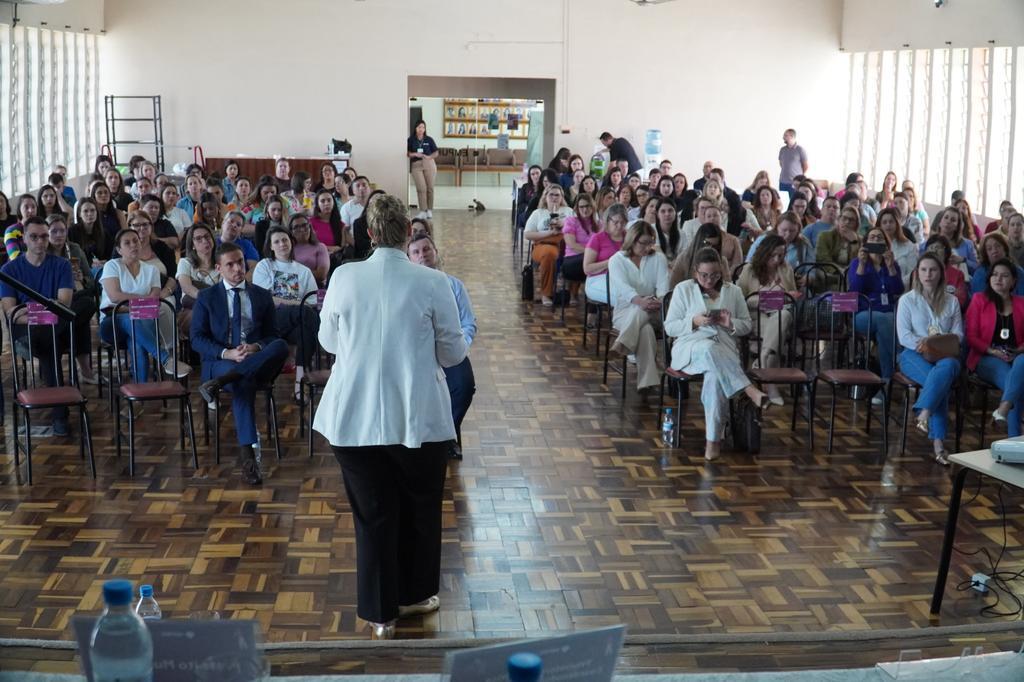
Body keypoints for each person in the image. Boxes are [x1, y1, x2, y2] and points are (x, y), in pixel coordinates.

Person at [314, 194, 466, 640]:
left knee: (374, 514)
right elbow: (453, 352)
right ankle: (416, 594)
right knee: (420, 507)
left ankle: (382, 614)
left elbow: (328, 342)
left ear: (371, 233)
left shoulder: (344, 276)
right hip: (418, 415)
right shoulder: (433, 281)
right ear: (408, 233)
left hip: (353, 415)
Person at [192, 242, 290, 485]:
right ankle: (248, 458)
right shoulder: (207, 297)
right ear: (218, 268)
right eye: (230, 264)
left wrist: (255, 347)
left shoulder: (261, 295)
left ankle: (221, 383)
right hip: (221, 361)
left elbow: (272, 336)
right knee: (243, 381)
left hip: (255, 359)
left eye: (240, 262)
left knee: (281, 346)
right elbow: (196, 339)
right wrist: (227, 353)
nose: (237, 268)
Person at [665, 247, 770, 461]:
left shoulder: (733, 291)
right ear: (696, 272)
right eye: (704, 275)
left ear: (721, 272)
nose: (709, 280)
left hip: (724, 350)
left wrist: (730, 323)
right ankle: (748, 389)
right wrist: (693, 321)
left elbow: (747, 326)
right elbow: (670, 327)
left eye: (714, 275)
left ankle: (712, 441)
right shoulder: (683, 289)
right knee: (708, 348)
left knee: (714, 378)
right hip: (689, 348)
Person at [0, 217, 75, 434]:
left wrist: (30, 310)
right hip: (25, 330)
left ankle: (59, 414)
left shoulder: (61, 265)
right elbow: (10, 311)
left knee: (48, 336)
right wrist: (43, 312)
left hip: (54, 326)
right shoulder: (9, 270)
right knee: (48, 343)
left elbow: (64, 305)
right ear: (23, 239)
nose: (40, 241)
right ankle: (60, 415)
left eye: (44, 236)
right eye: (34, 236)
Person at [407, 232, 476, 459]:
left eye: (426, 249)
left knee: (464, 386)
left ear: (435, 252)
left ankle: (448, 434)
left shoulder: (454, 285)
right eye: (416, 252)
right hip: (418, 352)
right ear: (409, 258)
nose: (422, 255)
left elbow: (468, 322)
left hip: (449, 348)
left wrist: (461, 346)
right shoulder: (407, 287)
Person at [99, 228, 192, 385]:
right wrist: (141, 303)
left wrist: (127, 306)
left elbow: (154, 300)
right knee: (131, 321)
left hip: (143, 324)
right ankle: (165, 359)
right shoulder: (112, 265)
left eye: (136, 241)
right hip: (112, 324)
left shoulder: (151, 270)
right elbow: (114, 296)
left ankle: (140, 394)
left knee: (136, 338)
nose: (133, 245)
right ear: (119, 250)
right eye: (127, 243)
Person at [896, 253, 963, 464]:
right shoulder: (907, 300)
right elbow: (904, 335)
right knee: (940, 384)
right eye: (923, 270)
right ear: (917, 273)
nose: (928, 274)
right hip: (913, 354)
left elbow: (959, 334)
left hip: (943, 355)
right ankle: (939, 446)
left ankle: (924, 412)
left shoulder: (951, 301)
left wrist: (939, 343)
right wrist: (926, 343)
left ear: (941, 274)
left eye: (932, 270)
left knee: (949, 367)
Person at [252, 227, 319, 402]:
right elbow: (267, 300)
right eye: (277, 241)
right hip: (271, 320)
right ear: (271, 246)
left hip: (298, 321)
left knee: (305, 331)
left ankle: (299, 384)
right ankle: (322, 342)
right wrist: (298, 304)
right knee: (306, 315)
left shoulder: (303, 271)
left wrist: (297, 306)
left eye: (285, 240)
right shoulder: (264, 265)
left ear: (291, 242)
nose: (282, 244)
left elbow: (312, 302)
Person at [607, 221, 670, 393]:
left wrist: (657, 301)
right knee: (646, 330)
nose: (648, 247)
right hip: (624, 312)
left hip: (655, 309)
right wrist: (640, 301)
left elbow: (664, 288)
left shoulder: (658, 258)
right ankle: (647, 382)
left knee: (645, 315)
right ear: (632, 241)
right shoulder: (616, 260)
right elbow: (624, 289)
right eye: (643, 243)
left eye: (651, 242)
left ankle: (623, 342)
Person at [737, 234, 799, 406]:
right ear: (765, 252)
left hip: (779, 315)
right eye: (773, 255)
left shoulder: (786, 269)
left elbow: (792, 297)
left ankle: (763, 360)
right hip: (756, 316)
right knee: (779, 324)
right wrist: (772, 298)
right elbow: (742, 298)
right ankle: (770, 384)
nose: (777, 259)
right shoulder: (750, 269)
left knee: (783, 316)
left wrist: (786, 297)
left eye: (781, 255)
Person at [965, 258, 1024, 436]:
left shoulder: (1022, 303)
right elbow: (971, 337)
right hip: (986, 357)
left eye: (1005, 276)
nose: (998, 279)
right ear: (989, 278)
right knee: (1014, 384)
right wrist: (993, 351)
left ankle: (1003, 410)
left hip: (1016, 357)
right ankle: (1015, 440)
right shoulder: (979, 300)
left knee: (1022, 363)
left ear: (1014, 281)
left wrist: (1019, 350)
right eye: (995, 275)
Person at [46, 214, 99, 385]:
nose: (59, 235)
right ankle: (86, 371)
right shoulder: (42, 252)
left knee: (84, 305)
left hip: (76, 297)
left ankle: (58, 332)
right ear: (46, 233)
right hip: (53, 301)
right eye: (54, 231)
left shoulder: (74, 249)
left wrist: (81, 277)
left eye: (62, 230)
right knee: (80, 317)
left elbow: (91, 280)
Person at [848, 227, 904, 383]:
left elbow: (898, 290)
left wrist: (891, 266)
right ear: (866, 243)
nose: (876, 240)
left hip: (888, 314)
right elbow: (854, 291)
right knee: (884, 319)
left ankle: (886, 380)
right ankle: (900, 357)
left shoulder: (892, 265)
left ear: (886, 243)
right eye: (872, 237)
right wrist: (861, 264)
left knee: (885, 324)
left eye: (880, 238)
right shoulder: (856, 263)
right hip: (862, 314)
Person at [524, 184, 573, 306]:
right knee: (548, 253)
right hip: (544, 243)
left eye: (557, 195)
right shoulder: (538, 213)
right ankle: (546, 293)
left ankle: (573, 294)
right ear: (545, 197)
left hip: (566, 243)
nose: (554, 197)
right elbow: (528, 234)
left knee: (579, 253)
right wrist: (549, 233)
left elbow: (577, 230)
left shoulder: (569, 211)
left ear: (562, 197)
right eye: (551, 194)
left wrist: (564, 225)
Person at [176, 223, 220, 338]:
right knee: (198, 314)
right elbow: (187, 287)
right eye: (199, 239)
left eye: (207, 236)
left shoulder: (221, 263)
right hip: (192, 306)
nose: (205, 241)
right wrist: (207, 299)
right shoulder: (185, 262)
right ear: (193, 245)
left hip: (217, 308)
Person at [583, 203, 627, 307]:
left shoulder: (629, 237)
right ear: (607, 221)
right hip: (598, 278)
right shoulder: (597, 238)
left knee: (636, 295)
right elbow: (587, 268)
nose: (620, 226)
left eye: (623, 222)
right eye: (616, 222)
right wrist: (612, 261)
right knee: (624, 298)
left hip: (623, 277)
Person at [561, 194, 598, 305]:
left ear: (593, 207)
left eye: (587, 206)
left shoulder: (599, 224)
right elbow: (572, 244)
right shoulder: (571, 221)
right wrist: (591, 253)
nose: (585, 209)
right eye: (581, 207)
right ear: (577, 208)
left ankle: (595, 296)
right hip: (572, 259)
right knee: (589, 261)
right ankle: (575, 293)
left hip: (591, 260)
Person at [745, 211, 813, 268]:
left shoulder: (804, 243)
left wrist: (808, 278)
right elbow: (748, 263)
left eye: (792, 231)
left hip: (794, 280)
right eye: (784, 230)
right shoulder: (763, 239)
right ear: (777, 227)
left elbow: (811, 268)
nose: (788, 234)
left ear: (798, 231)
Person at [926, 206, 978, 275]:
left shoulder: (968, 244)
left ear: (957, 226)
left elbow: (977, 267)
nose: (948, 221)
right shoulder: (930, 242)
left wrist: (963, 260)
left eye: (953, 220)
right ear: (940, 222)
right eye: (946, 217)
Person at [923, 234, 969, 309]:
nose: (934, 250)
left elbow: (961, 301)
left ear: (946, 251)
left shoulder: (958, 274)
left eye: (938, 247)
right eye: (931, 247)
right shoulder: (918, 272)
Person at [877, 207, 918, 289]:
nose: (888, 224)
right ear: (879, 226)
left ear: (897, 224)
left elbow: (912, 273)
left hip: (902, 290)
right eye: (884, 222)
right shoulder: (874, 244)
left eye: (891, 222)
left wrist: (896, 284)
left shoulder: (910, 246)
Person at [407, 120, 439, 219]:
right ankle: (422, 211)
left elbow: (436, 152)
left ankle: (429, 210)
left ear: (425, 129)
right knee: (421, 188)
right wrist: (414, 154)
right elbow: (408, 153)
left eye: (423, 127)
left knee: (430, 188)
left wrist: (429, 157)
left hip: (429, 163)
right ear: (415, 128)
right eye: (419, 127)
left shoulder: (429, 139)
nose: (421, 129)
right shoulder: (411, 139)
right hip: (416, 165)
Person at [289, 213, 330, 286]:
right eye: (296, 227)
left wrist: (294, 273)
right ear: (291, 232)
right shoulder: (288, 248)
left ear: (310, 227)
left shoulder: (320, 247)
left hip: (314, 288)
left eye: (304, 225)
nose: (301, 229)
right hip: (291, 287)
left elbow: (321, 275)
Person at [5, 194, 38, 259]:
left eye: (33, 207)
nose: (31, 210)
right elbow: (14, 256)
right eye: (26, 207)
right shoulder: (11, 231)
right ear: (19, 210)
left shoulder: (42, 228)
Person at [778, 129, 808, 194]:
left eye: (785, 135)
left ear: (792, 136)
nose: (783, 137)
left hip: (795, 183)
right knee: (784, 201)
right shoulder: (782, 150)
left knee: (795, 201)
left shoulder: (800, 150)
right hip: (783, 182)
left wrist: (798, 175)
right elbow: (781, 164)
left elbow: (806, 166)